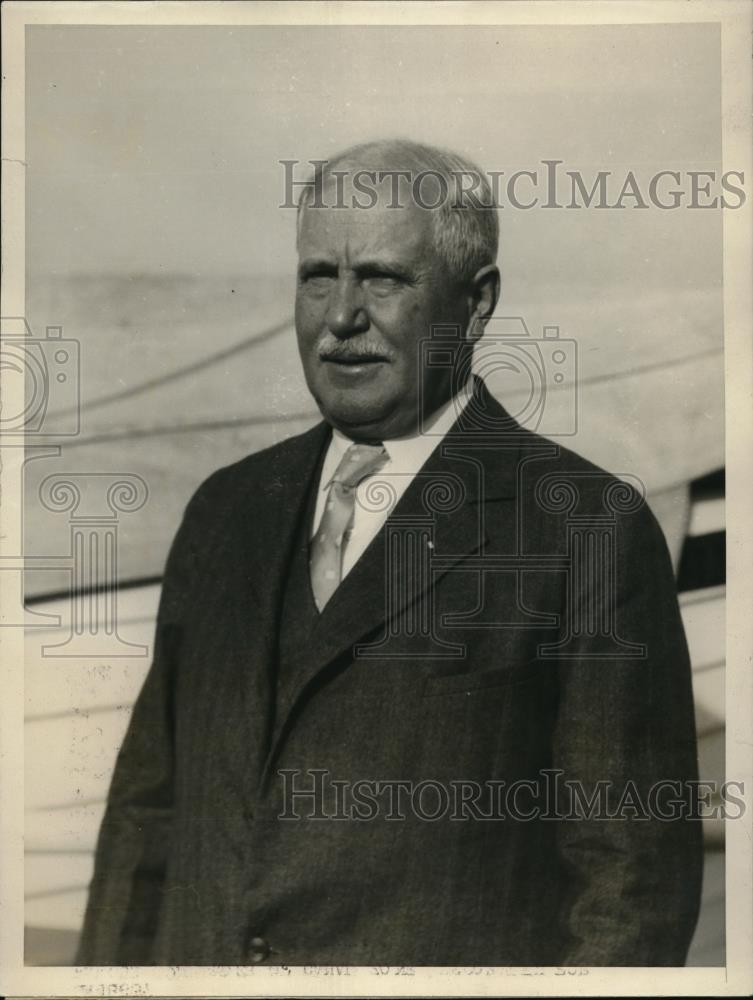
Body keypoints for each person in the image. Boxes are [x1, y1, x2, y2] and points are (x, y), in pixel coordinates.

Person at [77, 139, 702, 967]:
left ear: (474, 305)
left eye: (382, 278)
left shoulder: (585, 528)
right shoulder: (227, 510)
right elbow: (144, 820)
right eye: (316, 276)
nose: (339, 316)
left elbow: (630, 889)